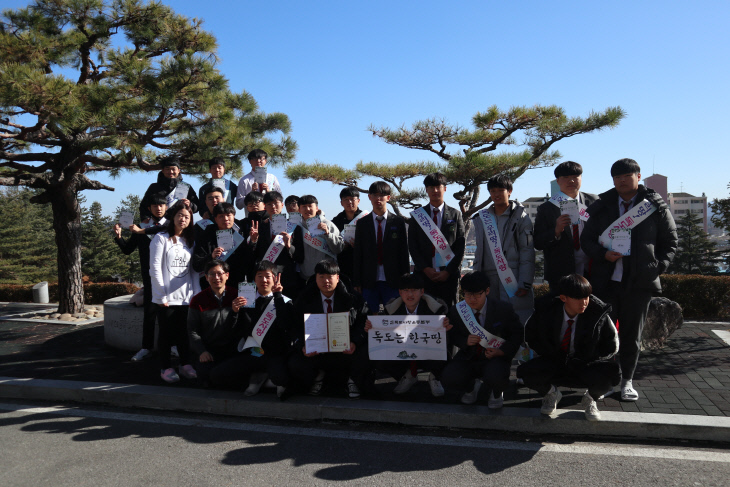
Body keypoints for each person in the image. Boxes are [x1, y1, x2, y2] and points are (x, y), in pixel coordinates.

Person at [581, 158, 677, 402]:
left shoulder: (654, 206)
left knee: (632, 336)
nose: (622, 180)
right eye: (617, 177)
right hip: (606, 281)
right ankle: (606, 380)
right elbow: (587, 240)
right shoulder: (603, 206)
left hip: (639, 283)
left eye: (627, 175)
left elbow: (671, 242)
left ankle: (627, 381)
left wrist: (657, 268)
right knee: (605, 334)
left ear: (638, 176)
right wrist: (603, 254)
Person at [517, 274, 620, 421]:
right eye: (579, 298)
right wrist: (548, 354)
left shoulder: (598, 314)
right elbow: (530, 335)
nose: (584, 302)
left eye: (587, 297)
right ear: (563, 298)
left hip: (585, 364)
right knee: (526, 373)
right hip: (555, 361)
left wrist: (592, 358)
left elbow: (612, 345)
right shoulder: (545, 310)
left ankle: (590, 399)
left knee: (612, 374)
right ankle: (551, 394)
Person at [288, 260, 370, 398]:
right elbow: (294, 326)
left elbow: (364, 322)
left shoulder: (353, 298)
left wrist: (355, 342)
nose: (326, 281)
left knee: (365, 351)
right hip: (317, 350)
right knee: (295, 362)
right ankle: (317, 378)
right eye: (321, 276)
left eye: (330, 276)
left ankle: (353, 379)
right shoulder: (304, 299)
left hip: (345, 349)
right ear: (315, 278)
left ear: (337, 278)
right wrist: (303, 346)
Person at [440, 271, 522, 408]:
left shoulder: (503, 309)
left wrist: (501, 352)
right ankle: (471, 388)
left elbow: (517, 334)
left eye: (477, 294)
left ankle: (496, 392)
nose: (472, 299)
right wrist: (464, 341)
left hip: (495, 357)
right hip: (469, 355)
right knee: (449, 377)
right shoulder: (456, 311)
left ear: (487, 291)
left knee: (496, 376)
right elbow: (453, 335)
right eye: (467, 294)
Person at [365, 272, 452, 396]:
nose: (410, 294)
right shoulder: (390, 308)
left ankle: (434, 377)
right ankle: (408, 376)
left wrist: (446, 327)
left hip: (427, 352)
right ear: (400, 292)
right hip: (403, 352)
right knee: (380, 358)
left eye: (414, 290)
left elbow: (446, 336)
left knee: (444, 354)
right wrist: (372, 328)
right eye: (406, 290)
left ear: (422, 292)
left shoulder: (437, 308)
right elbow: (381, 331)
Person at [472, 174, 535, 324]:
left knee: (516, 319)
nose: (496, 194)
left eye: (500, 190)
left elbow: (527, 251)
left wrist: (525, 281)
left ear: (510, 191)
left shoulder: (521, 217)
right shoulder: (482, 218)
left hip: (513, 277)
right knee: (490, 320)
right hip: (487, 278)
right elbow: (479, 250)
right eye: (492, 191)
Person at [113, 193, 168, 361]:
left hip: (170, 276)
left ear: (166, 207)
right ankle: (146, 347)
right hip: (149, 275)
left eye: (161, 205)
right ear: (149, 208)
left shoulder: (171, 225)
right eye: (154, 206)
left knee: (170, 314)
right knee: (150, 313)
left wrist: (141, 230)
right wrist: (119, 236)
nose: (158, 208)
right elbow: (128, 249)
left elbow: (159, 229)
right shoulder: (139, 227)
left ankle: (172, 346)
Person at [149, 201, 200, 383]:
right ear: (173, 217)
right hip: (166, 297)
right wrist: (161, 294)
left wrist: (196, 293)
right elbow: (154, 268)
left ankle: (185, 364)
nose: (183, 219)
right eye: (180, 215)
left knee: (184, 333)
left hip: (186, 297)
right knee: (166, 333)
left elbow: (193, 270)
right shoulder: (161, 238)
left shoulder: (190, 241)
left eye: (187, 217)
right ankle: (166, 367)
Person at [231, 260, 294, 399]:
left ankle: (265, 377)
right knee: (218, 375)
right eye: (259, 276)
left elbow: (286, 326)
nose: (264, 280)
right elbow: (236, 330)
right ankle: (259, 376)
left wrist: (277, 296)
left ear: (275, 278)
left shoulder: (284, 301)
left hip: (274, 353)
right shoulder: (246, 300)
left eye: (268, 276)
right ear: (254, 279)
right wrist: (235, 312)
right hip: (252, 352)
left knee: (281, 380)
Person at [534, 161, 598, 293]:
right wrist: (556, 231)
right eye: (566, 178)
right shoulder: (547, 208)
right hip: (561, 272)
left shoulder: (594, 201)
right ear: (557, 181)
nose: (571, 181)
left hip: (593, 269)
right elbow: (538, 242)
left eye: (575, 177)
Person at [408, 172, 465, 307]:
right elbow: (412, 245)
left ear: (444, 188)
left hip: (448, 276)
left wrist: (448, 271)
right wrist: (425, 268)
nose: (434, 190)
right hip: (423, 275)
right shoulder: (418, 216)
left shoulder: (455, 214)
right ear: (426, 190)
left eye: (438, 187)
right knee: (425, 314)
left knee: (449, 314)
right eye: (430, 187)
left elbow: (460, 246)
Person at [187, 260, 246, 388]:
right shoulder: (197, 300)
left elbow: (244, 325)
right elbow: (192, 330)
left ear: (227, 275)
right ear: (206, 277)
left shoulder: (237, 296)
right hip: (210, 350)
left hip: (232, 349)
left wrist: (236, 312)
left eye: (220, 273)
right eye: (212, 274)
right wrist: (201, 351)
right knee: (206, 379)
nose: (216, 278)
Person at [353, 181, 409, 314]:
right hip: (368, 280)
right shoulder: (362, 223)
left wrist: (405, 281)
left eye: (382, 195)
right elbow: (358, 254)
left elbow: (403, 253)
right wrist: (357, 282)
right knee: (368, 316)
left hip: (392, 280)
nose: (378, 199)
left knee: (394, 316)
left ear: (388, 198)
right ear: (369, 197)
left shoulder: (398, 222)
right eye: (375, 195)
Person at [251, 191, 303, 297]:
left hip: (287, 277)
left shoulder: (294, 227)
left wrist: (289, 245)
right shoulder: (260, 227)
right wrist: (253, 241)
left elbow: (300, 256)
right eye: (269, 204)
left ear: (282, 205)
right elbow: (254, 255)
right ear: (265, 206)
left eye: (276, 203)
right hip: (265, 278)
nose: (273, 207)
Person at [192, 203, 250, 288]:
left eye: (228, 215)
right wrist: (211, 257)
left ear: (234, 216)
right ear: (215, 219)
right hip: (210, 286)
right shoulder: (205, 236)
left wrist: (253, 242)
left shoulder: (240, 235)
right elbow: (196, 265)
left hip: (234, 286)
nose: (226, 219)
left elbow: (248, 261)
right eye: (221, 216)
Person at [293, 195, 345, 282]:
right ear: (299, 210)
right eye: (304, 207)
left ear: (316, 208)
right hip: (306, 276)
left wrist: (328, 234)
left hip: (327, 276)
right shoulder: (297, 227)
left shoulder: (328, 224)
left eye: (310, 206)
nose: (307, 209)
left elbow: (338, 249)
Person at [139, 156, 198, 220]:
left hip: (179, 224)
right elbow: (144, 206)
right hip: (158, 225)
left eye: (173, 169)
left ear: (178, 170)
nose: (171, 172)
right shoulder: (154, 187)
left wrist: (190, 205)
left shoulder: (185, 187)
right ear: (163, 170)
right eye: (167, 169)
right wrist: (145, 218)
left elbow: (197, 207)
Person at [331, 186, 366, 281]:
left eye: (352, 199)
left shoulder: (366, 219)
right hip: (343, 263)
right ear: (341, 203)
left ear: (358, 200)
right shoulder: (336, 221)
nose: (349, 202)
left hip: (363, 264)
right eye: (345, 199)